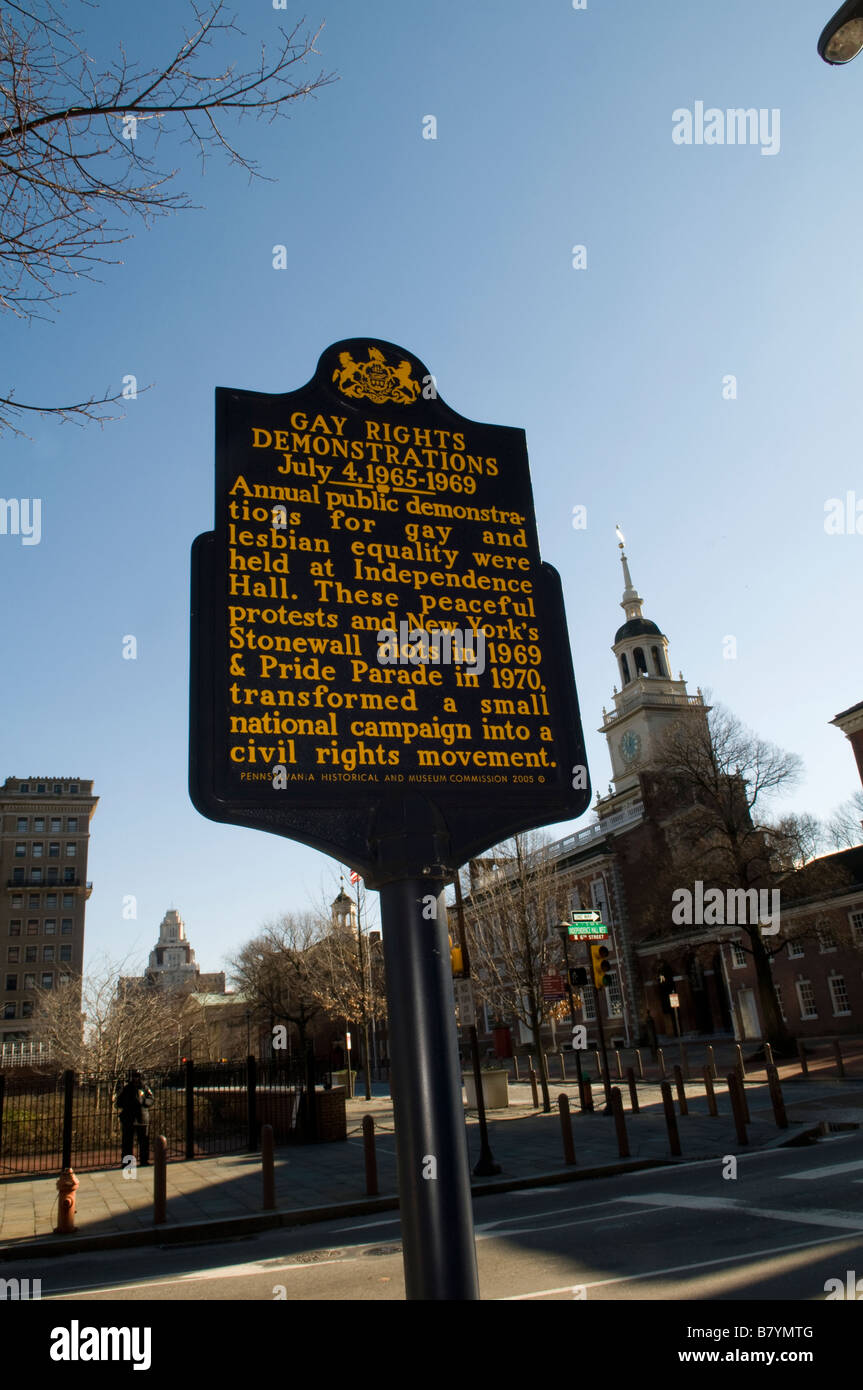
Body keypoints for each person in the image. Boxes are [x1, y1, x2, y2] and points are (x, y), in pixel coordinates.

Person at [116, 1069, 154, 1167]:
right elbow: (119, 1102)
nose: (136, 1078)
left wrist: (143, 1101)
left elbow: (151, 1099)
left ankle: (144, 1161)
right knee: (127, 1143)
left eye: (137, 1076)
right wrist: (127, 1103)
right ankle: (127, 1163)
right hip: (129, 1119)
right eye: (134, 1076)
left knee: (143, 1142)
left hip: (142, 1118)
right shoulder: (127, 1089)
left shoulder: (144, 1088)